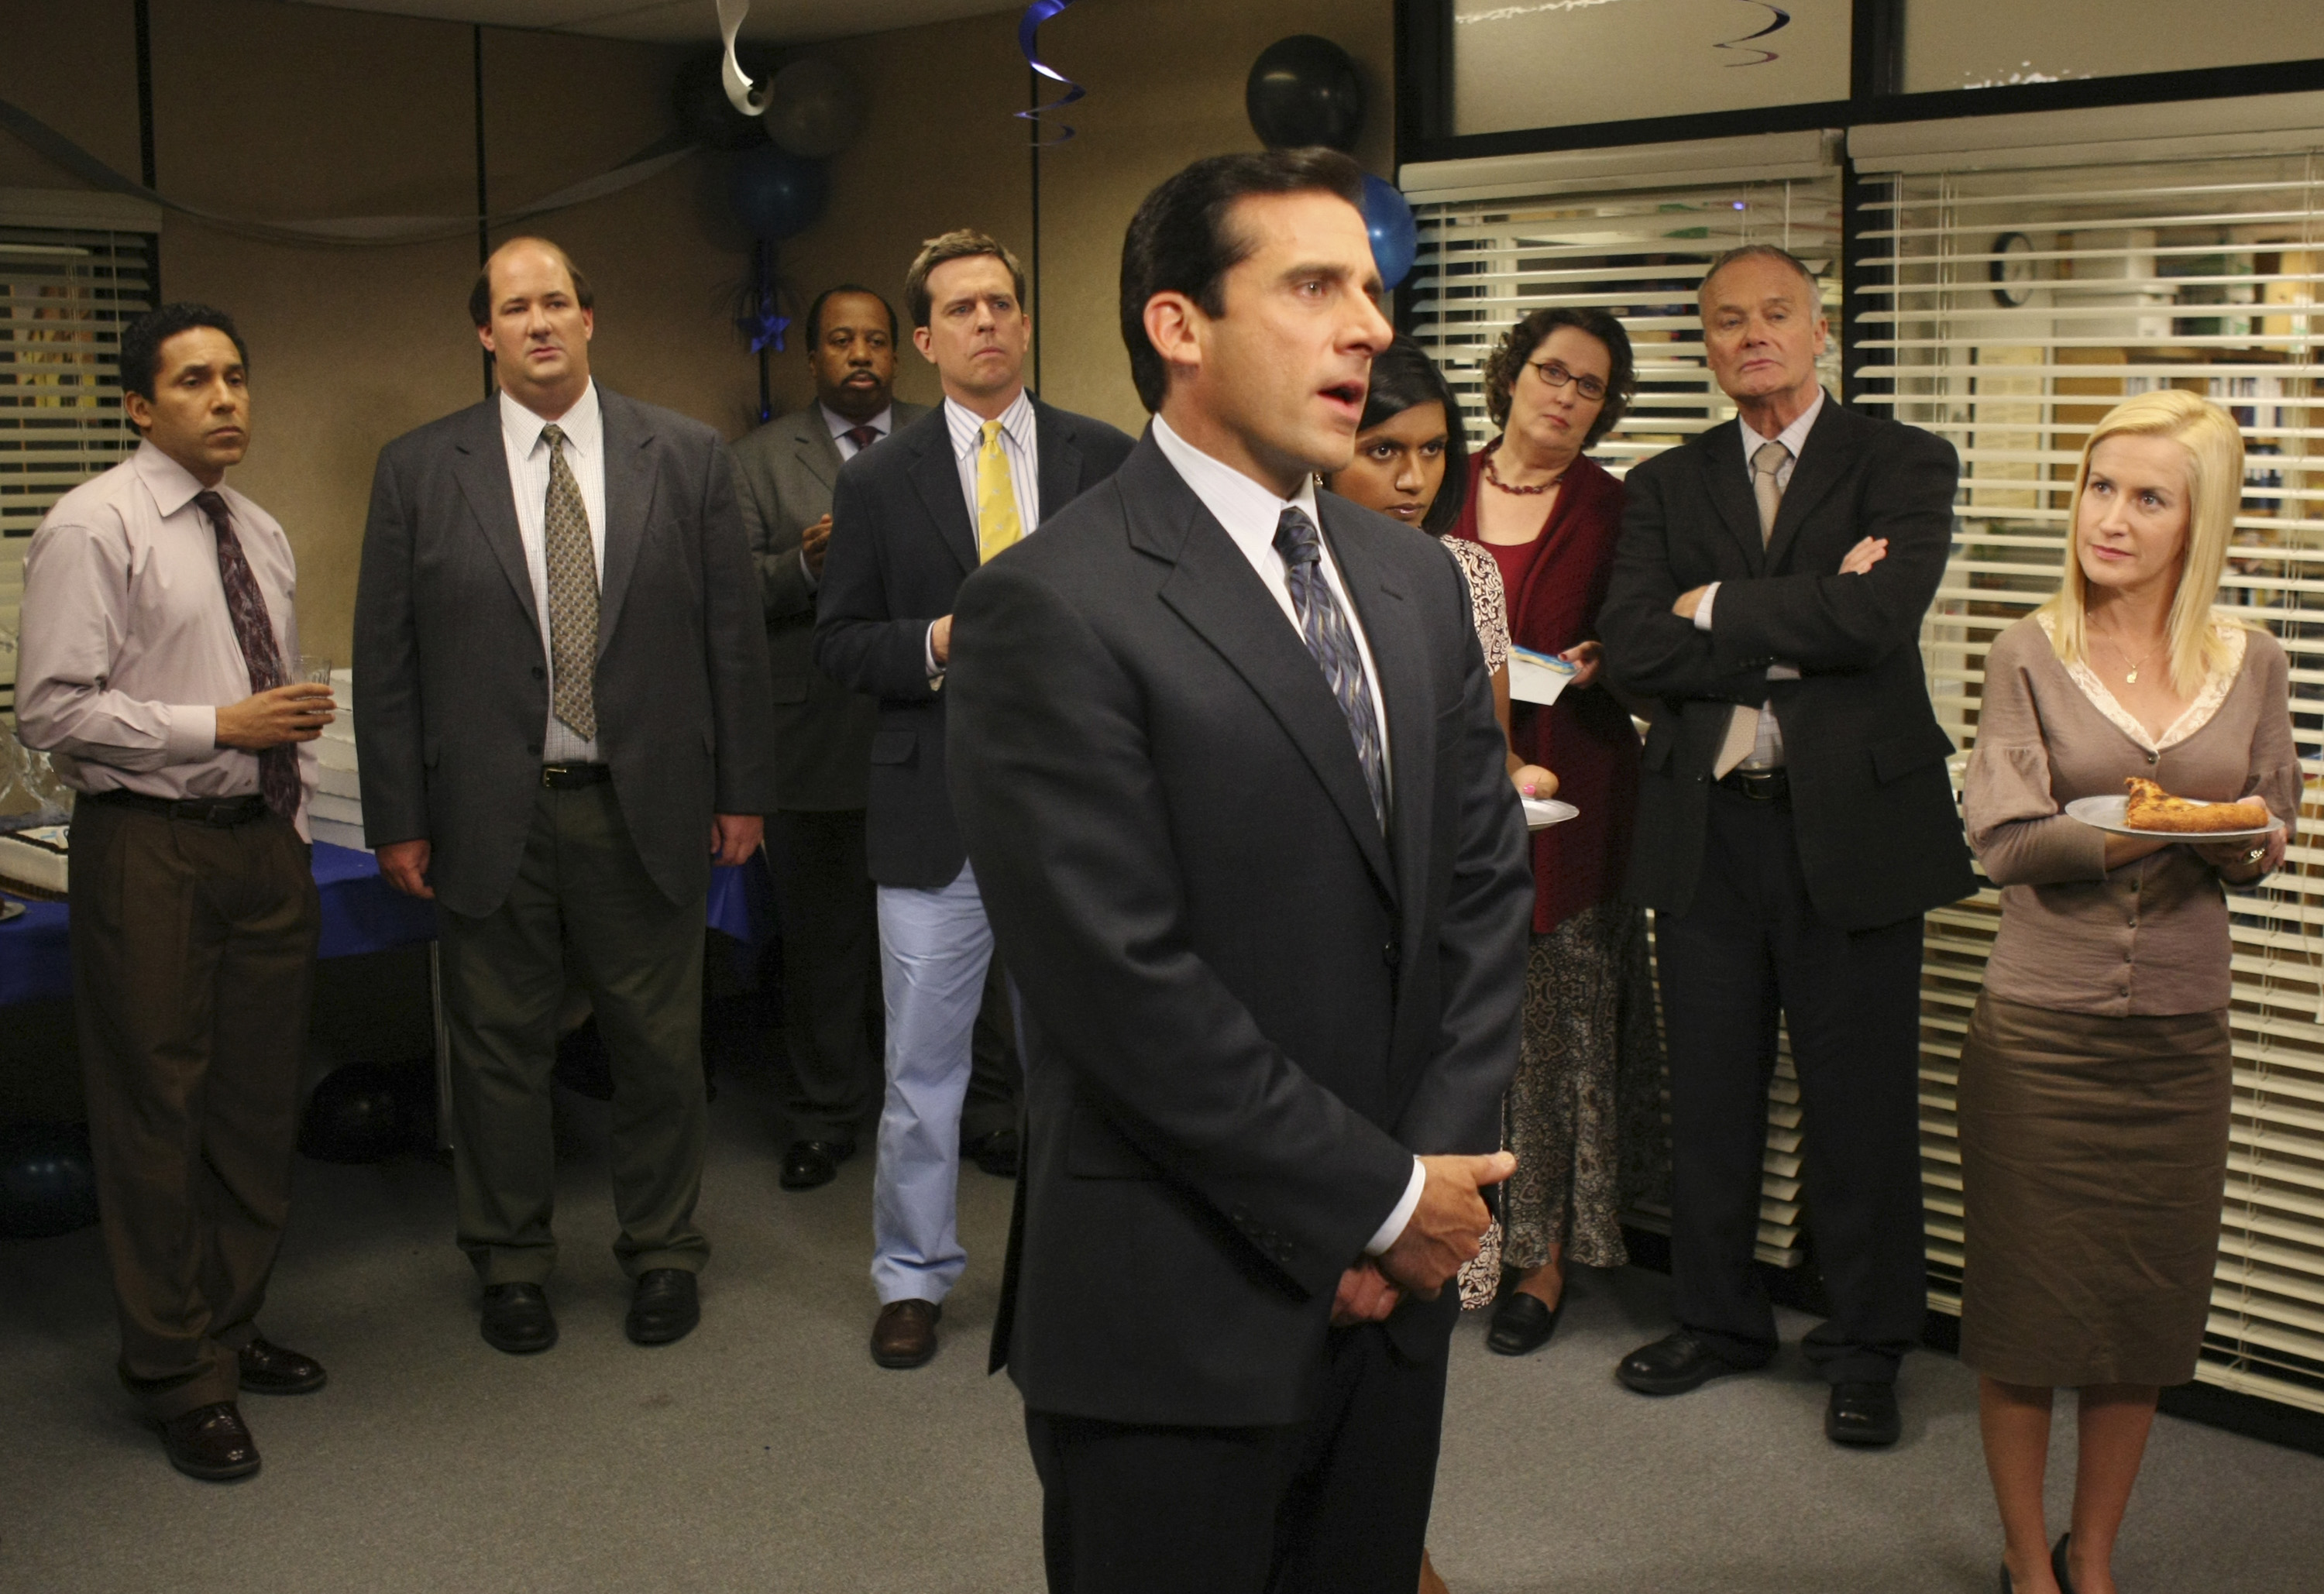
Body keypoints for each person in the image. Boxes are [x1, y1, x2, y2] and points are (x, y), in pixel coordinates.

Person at [947, 149, 1534, 1592]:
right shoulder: (1050, 604)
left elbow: (1480, 893)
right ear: (1180, 325)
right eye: (1314, 287)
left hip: (1394, 1303)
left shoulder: (1414, 580)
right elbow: (1121, 985)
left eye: (1373, 293)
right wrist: (1376, 1200)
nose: (1370, 328)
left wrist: (1419, 1198)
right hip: (1175, 1305)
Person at [354, 237, 776, 1356]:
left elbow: (733, 642)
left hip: (646, 804)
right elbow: (387, 661)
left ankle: (664, 1249)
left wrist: (744, 789)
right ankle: (510, 1261)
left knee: (658, 1046)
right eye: (514, 308)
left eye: (555, 302)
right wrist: (397, 815)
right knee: (497, 1053)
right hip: (485, 812)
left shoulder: (685, 456)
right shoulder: (418, 469)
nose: (538, 322)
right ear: (484, 333)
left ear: (589, 318)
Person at [1597, 244, 1975, 1448]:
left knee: (1862, 1109)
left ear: (1821, 330)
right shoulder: (1665, 482)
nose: (1751, 334)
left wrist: (1713, 605)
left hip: (1854, 831)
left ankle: (1866, 1345)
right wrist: (1807, 620)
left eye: (1775, 314)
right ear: (1706, 346)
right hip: (1708, 831)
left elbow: (1878, 619)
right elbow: (1633, 646)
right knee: (1710, 1098)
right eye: (1726, 320)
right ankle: (1718, 1318)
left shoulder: (1903, 461)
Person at [1959, 391, 2295, 1594]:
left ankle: (2091, 1554)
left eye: (2148, 497)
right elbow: (2006, 840)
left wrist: (2245, 838)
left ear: (2199, 521)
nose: (2110, 516)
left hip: (2179, 1040)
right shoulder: (2027, 649)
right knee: (2024, 1311)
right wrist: (2171, 827)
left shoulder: (2253, 661)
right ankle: (2024, 1558)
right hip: (2041, 1034)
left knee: (2143, 1316)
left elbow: (2269, 826)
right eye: (2100, 487)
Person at [17, 303, 335, 1481]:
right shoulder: (93, 524)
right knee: (156, 1114)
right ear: (141, 408)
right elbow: (51, 708)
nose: (226, 398)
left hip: (261, 845)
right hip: (149, 850)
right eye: (195, 380)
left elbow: (275, 695)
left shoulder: (260, 529)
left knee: (254, 1107)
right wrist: (218, 726)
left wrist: (288, 816)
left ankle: (230, 1327)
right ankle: (174, 1373)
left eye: (237, 377)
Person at [813, 229, 1133, 1371]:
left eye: (1002, 303)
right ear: (925, 339)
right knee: (922, 1073)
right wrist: (940, 642)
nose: (986, 322)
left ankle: (1078, 1268)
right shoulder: (875, 480)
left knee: (1088, 1065)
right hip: (933, 815)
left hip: (1082, 815)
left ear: (1027, 323)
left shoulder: (1106, 457)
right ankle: (912, 1275)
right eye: (961, 309)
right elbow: (842, 643)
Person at [1449, 307, 1666, 1359]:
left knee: (1555, 1035)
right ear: (1511, 375)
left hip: (1572, 791)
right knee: (1451, 1024)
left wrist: (1608, 662)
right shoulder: (1435, 480)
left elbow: (1649, 645)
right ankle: (1451, 1234)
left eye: (1590, 385)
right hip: (1449, 785)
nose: (1567, 396)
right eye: (1552, 372)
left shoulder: (1618, 509)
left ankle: (1541, 1257)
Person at [729, 285, 930, 1192]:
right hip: (814, 735)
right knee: (824, 947)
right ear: (811, 357)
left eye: (876, 341)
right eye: (841, 341)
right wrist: (802, 567)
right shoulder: (757, 461)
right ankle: (823, 1116)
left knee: (950, 941)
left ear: (900, 353)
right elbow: (725, 590)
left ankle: (979, 1109)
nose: (860, 355)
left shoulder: (945, 440)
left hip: (934, 726)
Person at [1322, 332, 1556, 804]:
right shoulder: (1290, 567)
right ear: (1324, 454)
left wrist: (1521, 783)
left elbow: (1490, 752)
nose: (1415, 480)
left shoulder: (1468, 571)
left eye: (1432, 449)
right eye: (1383, 450)